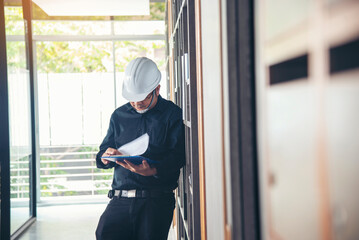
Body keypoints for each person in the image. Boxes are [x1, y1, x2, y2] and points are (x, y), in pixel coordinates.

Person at [95, 57, 185, 240]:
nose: (136, 103)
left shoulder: (172, 115)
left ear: (157, 90)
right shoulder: (118, 116)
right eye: (132, 99)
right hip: (119, 199)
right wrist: (105, 157)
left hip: (155, 202)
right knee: (104, 234)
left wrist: (154, 170)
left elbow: (178, 155)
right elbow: (104, 150)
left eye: (142, 98)